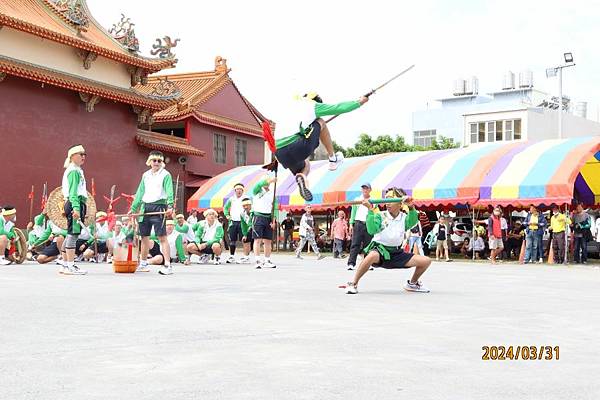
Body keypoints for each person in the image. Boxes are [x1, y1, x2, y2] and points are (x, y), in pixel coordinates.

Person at [273, 93, 369, 201]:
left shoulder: (289, 107)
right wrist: (360, 102)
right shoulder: (313, 105)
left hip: (279, 152)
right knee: (320, 122)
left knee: (305, 166)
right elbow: (339, 108)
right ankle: (333, 159)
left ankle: (302, 178)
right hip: (297, 145)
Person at [345, 188, 432, 294]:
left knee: (426, 261)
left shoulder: (404, 218)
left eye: (390, 200)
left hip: (396, 253)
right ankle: (354, 283)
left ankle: (412, 283)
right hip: (380, 251)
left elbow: (413, 220)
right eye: (386, 200)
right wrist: (370, 210)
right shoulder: (380, 215)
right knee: (372, 255)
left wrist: (410, 206)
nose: (387, 203)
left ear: (400, 204)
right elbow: (372, 230)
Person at [130, 150, 174, 275]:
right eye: (154, 160)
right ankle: (143, 263)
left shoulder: (166, 175)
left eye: (159, 161)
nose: (156, 163)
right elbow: (140, 192)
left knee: (162, 237)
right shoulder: (145, 175)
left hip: (159, 206)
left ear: (162, 163)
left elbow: (169, 191)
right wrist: (134, 208)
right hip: (145, 207)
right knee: (144, 237)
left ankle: (167, 264)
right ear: (149, 162)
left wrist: (170, 205)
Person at [60, 144, 89, 275]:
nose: (83, 157)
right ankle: (70, 265)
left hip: (74, 203)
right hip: (74, 203)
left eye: (84, 154)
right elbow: (73, 192)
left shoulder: (77, 170)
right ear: (72, 157)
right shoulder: (73, 171)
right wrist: (77, 208)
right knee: (73, 234)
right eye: (81, 154)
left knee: (70, 234)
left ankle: (65, 264)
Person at [251, 176, 277, 269]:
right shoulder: (256, 190)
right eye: (265, 181)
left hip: (268, 217)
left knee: (268, 241)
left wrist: (273, 221)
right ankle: (257, 260)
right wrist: (270, 179)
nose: (267, 183)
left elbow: (275, 207)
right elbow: (259, 184)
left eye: (268, 182)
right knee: (257, 240)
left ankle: (267, 260)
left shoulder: (272, 193)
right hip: (258, 217)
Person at [347, 183, 373, 270]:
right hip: (358, 223)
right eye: (363, 188)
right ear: (361, 190)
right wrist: (351, 224)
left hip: (369, 223)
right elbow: (353, 212)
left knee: (368, 244)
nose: (365, 190)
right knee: (355, 244)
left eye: (366, 188)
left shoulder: (373, 200)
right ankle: (351, 263)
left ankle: (367, 263)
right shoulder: (357, 199)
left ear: (370, 190)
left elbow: (375, 213)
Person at [223, 183, 246, 263]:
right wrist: (227, 215)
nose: (239, 191)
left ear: (242, 191)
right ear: (235, 191)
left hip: (243, 222)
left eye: (240, 189)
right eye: (237, 189)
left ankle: (245, 256)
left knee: (244, 239)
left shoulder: (246, 199)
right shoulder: (231, 199)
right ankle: (231, 256)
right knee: (232, 240)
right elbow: (225, 208)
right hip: (233, 221)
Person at [237, 197, 253, 264]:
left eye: (247, 205)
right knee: (245, 239)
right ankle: (246, 257)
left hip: (258, 227)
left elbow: (250, 223)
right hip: (250, 228)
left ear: (251, 205)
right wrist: (245, 234)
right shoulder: (242, 214)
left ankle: (264, 259)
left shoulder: (255, 211)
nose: (246, 207)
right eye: (244, 206)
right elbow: (243, 225)